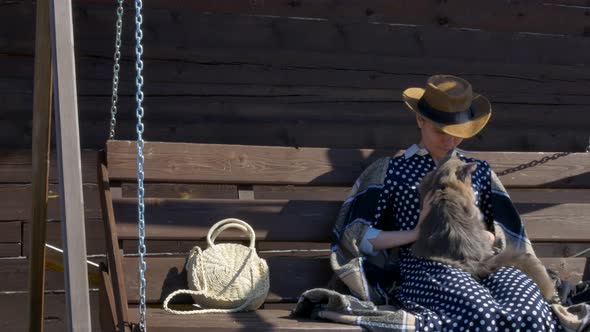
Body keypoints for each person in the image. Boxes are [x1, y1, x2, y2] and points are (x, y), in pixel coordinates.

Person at [343, 75, 563, 331]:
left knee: (531, 311)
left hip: (484, 262)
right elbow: (359, 238)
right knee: (478, 311)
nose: (450, 141)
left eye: (457, 134)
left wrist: (487, 237)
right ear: (419, 120)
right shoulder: (392, 171)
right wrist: (416, 232)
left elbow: (504, 231)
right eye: (440, 131)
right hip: (426, 265)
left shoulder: (477, 170)